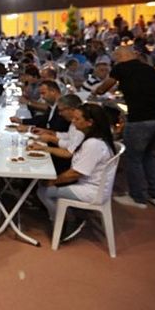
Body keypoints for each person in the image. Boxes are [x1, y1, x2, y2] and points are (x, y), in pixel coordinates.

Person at [95, 45, 155, 209]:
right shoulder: (150, 69)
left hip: (140, 120)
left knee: (133, 159)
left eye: (116, 56)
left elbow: (103, 88)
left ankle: (138, 198)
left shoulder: (121, 68)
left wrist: (96, 92)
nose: (114, 59)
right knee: (148, 155)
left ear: (121, 56)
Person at [36, 103, 116, 241]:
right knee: (46, 183)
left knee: (43, 190)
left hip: (91, 191)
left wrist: (52, 181)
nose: (73, 121)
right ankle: (68, 215)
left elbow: (75, 173)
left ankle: (65, 223)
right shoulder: (93, 138)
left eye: (77, 119)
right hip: (89, 184)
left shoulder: (93, 144)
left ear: (90, 122)